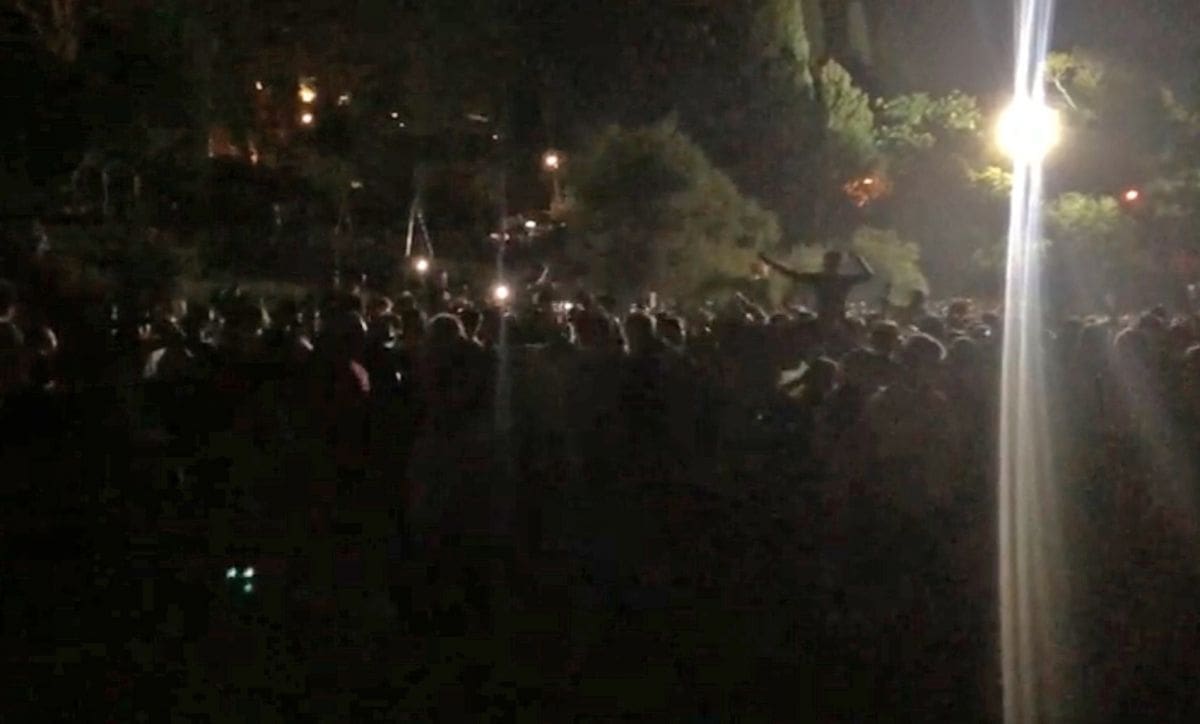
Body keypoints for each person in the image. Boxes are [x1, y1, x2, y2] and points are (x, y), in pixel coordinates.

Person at [759, 250, 873, 332]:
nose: (829, 264)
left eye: (831, 262)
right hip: (831, 317)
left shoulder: (823, 279)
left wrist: (770, 262)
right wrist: (859, 259)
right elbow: (868, 275)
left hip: (828, 317)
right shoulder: (841, 280)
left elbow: (793, 275)